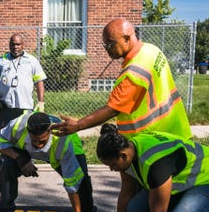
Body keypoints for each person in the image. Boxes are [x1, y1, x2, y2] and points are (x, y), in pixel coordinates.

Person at [51, 18, 192, 140]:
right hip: (175, 127)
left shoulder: (134, 72)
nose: (107, 49)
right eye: (105, 45)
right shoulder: (151, 49)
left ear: (126, 39)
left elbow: (112, 109)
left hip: (152, 139)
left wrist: (78, 125)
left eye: (111, 44)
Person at [0, 112, 101, 212]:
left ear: (49, 131)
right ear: (28, 132)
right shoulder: (18, 126)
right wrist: (20, 159)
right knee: (7, 166)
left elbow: (72, 185)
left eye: (42, 141)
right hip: (24, 151)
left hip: (63, 151)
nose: (38, 145)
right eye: (34, 141)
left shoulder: (64, 143)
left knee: (81, 180)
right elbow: (0, 142)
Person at [0, 33, 47, 129]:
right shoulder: (1, 61)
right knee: (5, 134)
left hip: (24, 106)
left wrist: (41, 102)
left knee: (23, 134)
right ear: (9, 45)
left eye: (18, 44)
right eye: (13, 44)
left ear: (23, 45)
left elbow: (39, 82)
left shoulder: (32, 61)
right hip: (6, 107)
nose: (15, 47)